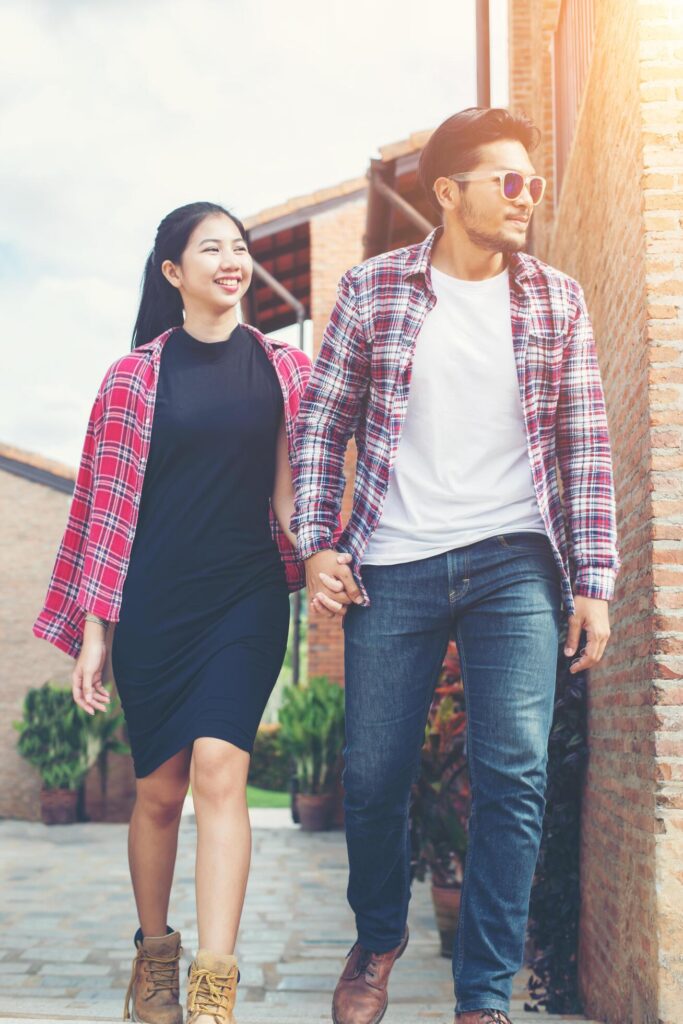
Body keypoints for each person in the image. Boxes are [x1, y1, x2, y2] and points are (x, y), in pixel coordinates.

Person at [291, 108, 620, 1024]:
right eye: (506, 182)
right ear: (448, 192)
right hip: (390, 559)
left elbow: (584, 445)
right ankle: (378, 937)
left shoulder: (557, 299)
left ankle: (482, 995)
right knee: (371, 771)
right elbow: (322, 422)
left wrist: (592, 580)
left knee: (513, 770)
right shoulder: (372, 290)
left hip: (514, 555)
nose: (526, 198)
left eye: (533, 182)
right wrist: (320, 539)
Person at [34, 201, 311, 1024]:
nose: (233, 260)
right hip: (152, 603)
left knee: (223, 770)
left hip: (246, 597)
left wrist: (327, 555)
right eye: (212, 248)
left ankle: (214, 990)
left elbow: (293, 499)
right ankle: (155, 957)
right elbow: (101, 509)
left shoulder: (284, 371)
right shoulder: (132, 378)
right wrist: (93, 633)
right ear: (172, 272)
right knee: (158, 792)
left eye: (240, 248)